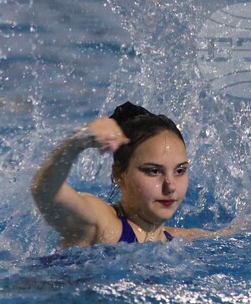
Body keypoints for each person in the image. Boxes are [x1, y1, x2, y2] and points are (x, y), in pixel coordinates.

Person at [31, 102, 227, 247]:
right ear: (119, 174)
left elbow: (235, 234)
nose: (171, 186)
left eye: (180, 170)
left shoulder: (177, 239)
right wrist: (77, 143)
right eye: (153, 171)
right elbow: (45, 190)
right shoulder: (104, 225)